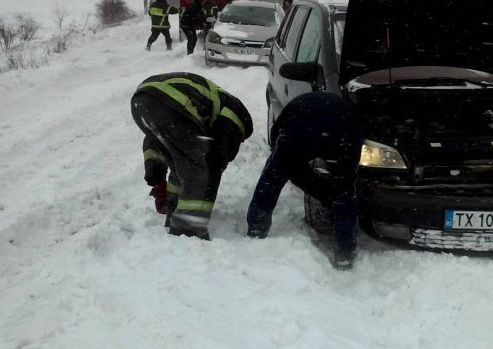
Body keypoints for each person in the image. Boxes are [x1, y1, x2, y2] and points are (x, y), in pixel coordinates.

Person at [246, 92, 363, 269]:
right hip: (342, 134)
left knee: (272, 179)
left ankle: (257, 229)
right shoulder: (346, 109)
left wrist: (281, 160)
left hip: (299, 130)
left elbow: (276, 134)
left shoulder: (295, 104)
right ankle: (344, 254)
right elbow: (358, 135)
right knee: (345, 191)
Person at [131, 72, 253, 240]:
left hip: (141, 102)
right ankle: (188, 232)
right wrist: (212, 167)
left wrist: (157, 179)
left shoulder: (214, 105)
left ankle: (173, 210)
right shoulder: (237, 115)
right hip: (171, 104)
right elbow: (216, 157)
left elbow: (155, 144)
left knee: (180, 161)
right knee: (200, 169)